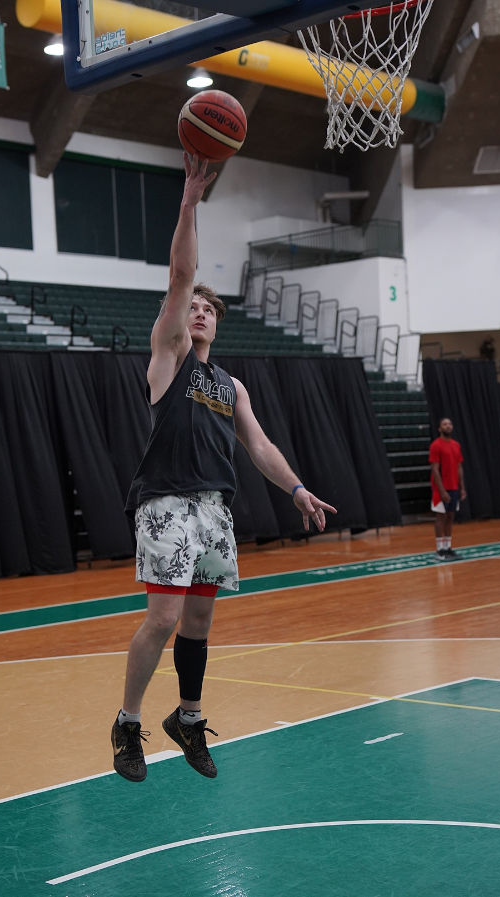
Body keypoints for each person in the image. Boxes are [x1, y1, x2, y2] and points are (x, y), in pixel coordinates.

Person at [111, 153, 337, 783]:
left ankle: (187, 716)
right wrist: (188, 202)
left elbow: (259, 446)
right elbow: (183, 272)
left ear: (219, 322)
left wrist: (295, 488)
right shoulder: (170, 354)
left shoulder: (231, 384)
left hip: (214, 509)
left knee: (201, 619)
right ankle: (127, 723)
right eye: (193, 306)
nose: (201, 310)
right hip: (164, 502)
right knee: (162, 616)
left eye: (211, 308)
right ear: (180, 317)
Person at [429, 417, 466, 561]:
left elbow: (459, 467)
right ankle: (439, 550)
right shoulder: (436, 445)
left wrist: (462, 487)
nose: (448, 426)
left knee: (450, 516)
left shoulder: (456, 445)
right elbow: (435, 469)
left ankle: (448, 548)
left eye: (450, 424)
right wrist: (442, 490)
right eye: (444, 424)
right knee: (440, 517)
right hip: (441, 489)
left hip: (454, 487)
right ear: (439, 428)